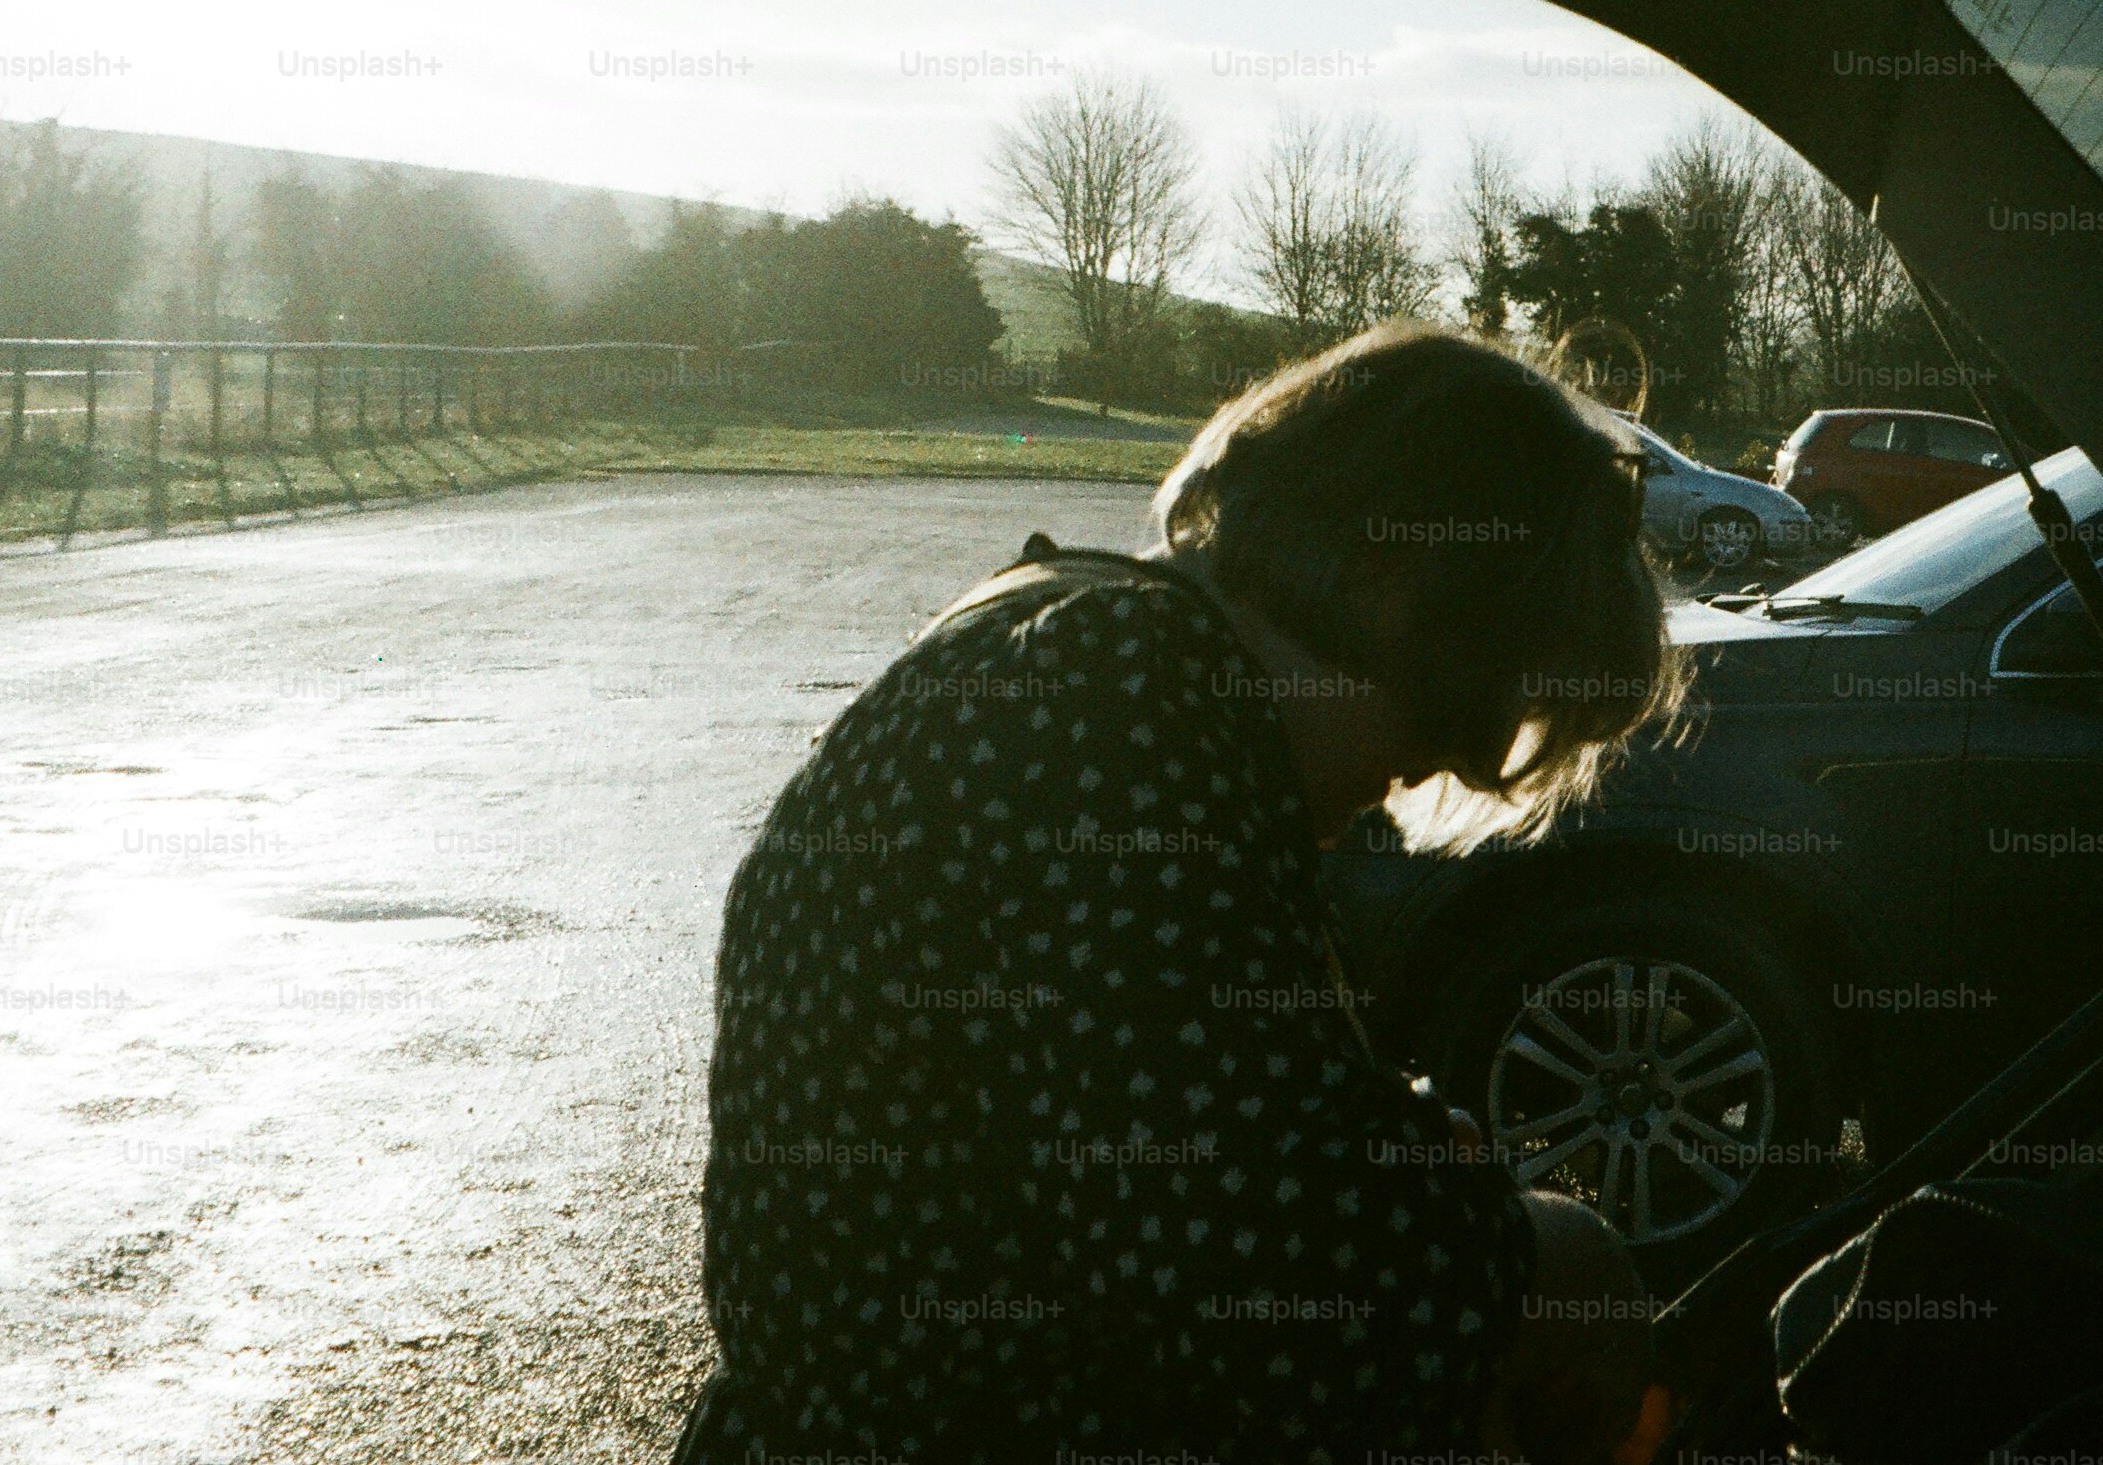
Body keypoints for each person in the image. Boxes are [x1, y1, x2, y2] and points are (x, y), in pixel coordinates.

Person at [674, 324, 1684, 1465]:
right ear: (1381, 576)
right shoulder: (1123, 703)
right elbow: (1251, 1272)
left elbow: (1151, 1127)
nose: (1406, 788)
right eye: (1450, 716)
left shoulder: (1065, 634)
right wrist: (1557, 1266)